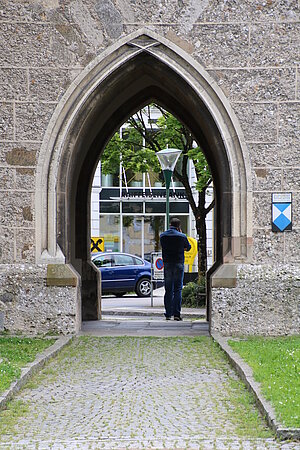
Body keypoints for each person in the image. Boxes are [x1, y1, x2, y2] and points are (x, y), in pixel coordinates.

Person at [160, 218, 191, 321]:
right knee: (178, 289)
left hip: (167, 263)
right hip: (179, 263)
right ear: (179, 226)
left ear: (170, 224)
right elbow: (188, 247)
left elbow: (163, 247)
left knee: (168, 289)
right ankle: (177, 314)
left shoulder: (163, 236)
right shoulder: (182, 236)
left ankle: (168, 313)